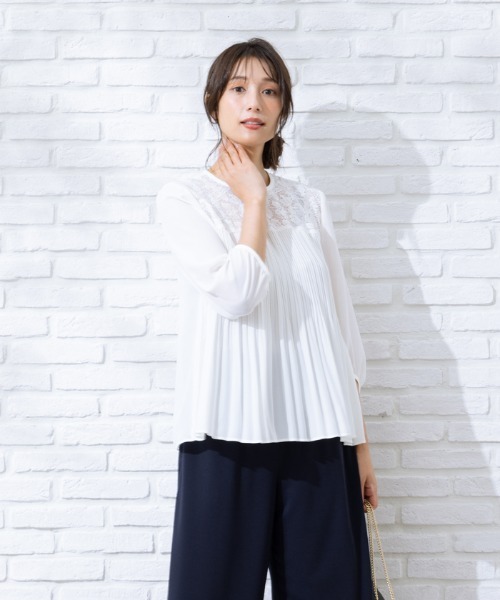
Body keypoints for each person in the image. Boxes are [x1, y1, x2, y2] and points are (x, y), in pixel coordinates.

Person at [156, 37, 378, 600]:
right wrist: (254, 199)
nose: (254, 101)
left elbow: (340, 331)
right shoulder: (185, 199)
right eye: (238, 88)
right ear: (214, 103)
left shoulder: (309, 202)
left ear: (282, 109)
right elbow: (238, 295)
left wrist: (360, 446)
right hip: (225, 431)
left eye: (269, 90)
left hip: (320, 433)